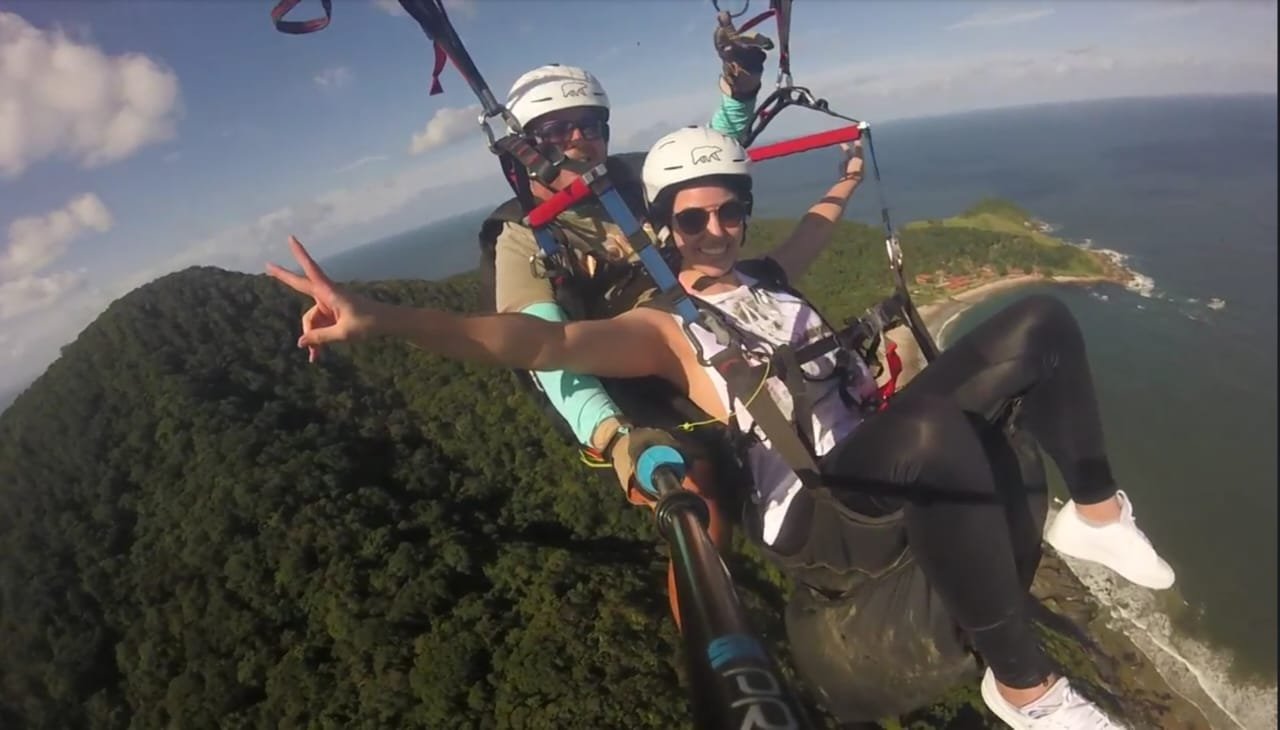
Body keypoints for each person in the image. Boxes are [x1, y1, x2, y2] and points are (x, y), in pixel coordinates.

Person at [267, 125, 1175, 728]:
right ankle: (1025, 689)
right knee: (941, 435)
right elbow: (532, 343)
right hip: (818, 512)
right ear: (662, 229)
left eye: (728, 210)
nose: (714, 229)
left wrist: (847, 176)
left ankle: (1093, 515)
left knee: (1041, 325)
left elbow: (818, 224)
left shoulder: (769, 280)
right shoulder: (663, 329)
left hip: (877, 452)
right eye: (692, 218)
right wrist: (381, 318)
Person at [476, 18, 775, 628]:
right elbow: (542, 349)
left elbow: (704, 166)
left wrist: (739, 93)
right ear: (525, 145)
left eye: (592, 126)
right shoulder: (521, 234)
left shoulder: (634, 182)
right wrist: (614, 437)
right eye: (560, 129)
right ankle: (714, 646)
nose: (582, 140)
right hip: (627, 379)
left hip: (705, 334)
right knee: (702, 503)